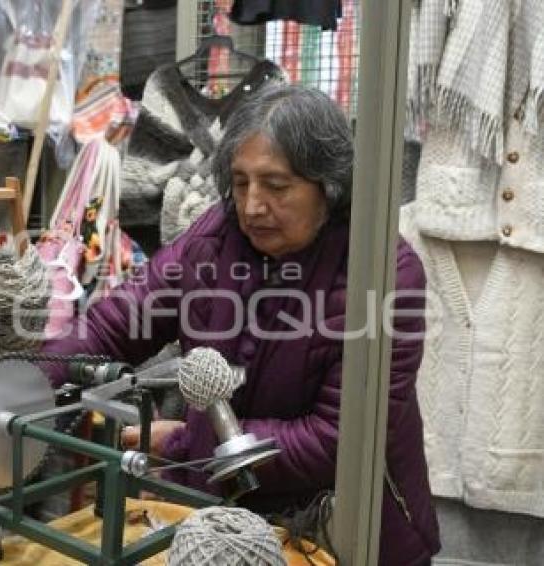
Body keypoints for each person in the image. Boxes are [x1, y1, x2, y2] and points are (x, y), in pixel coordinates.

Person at [41, 84, 440, 565]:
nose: (252, 205)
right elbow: (118, 322)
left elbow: (336, 441)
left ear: (329, 187)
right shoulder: (215, 237)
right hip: (221, 514)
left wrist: (190, 441)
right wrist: (29, 384)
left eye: (276, 186)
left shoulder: (385, 274)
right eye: (241, 181)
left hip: (340, 532)